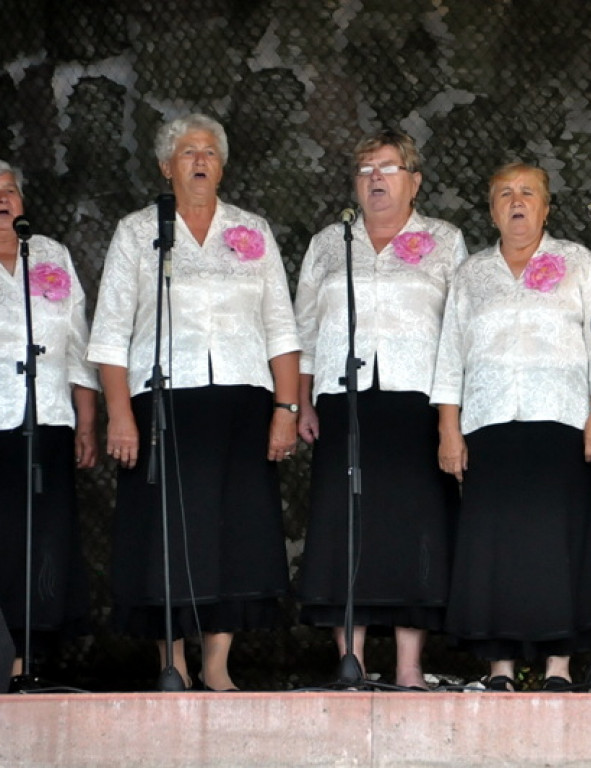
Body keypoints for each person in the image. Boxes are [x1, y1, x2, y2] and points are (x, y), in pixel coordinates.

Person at [87, 114, 300, 692]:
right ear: (165, 166)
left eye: (209, 151)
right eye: (187, 152)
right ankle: (172, 664)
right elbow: (110, 332)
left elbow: (281, 328)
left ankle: (217, 666)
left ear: (222, 165)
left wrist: (286, 409)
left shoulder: (251, 231)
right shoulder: (137, 232)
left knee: (236, 530)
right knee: (166, 529)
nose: (200, 160)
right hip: (163, 400)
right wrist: (121, 414)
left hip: (242, 400)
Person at [432, 162, 591, 692]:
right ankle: (499, 666)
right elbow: (451, 353)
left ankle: (558, 666)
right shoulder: (471, 273)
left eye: (527, 193)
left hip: (560, 418)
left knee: (556, 540)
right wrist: (449, 429)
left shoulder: (578, 261)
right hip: (489, 422)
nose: (516, 202)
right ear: (492, 208)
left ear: (546, 206)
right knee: (493, 544)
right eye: (504, 194)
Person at [294, 129, 464, 689]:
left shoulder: (444, 240)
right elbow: (306, 328)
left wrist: (450, 417)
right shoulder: (328, 242)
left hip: (417, 401)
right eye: (365, 168)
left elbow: (460, 331)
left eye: (387, 168)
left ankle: (409, 668)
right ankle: (353, 663)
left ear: (414, 181)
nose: (375, 178)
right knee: (346, 523)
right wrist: (301, 399)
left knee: (414, 527)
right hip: (344, 401)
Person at [0, 161, 98, 681]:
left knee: (45, 539)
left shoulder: (50, 253)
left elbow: (78, 343)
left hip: (50, 417)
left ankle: (31, 659)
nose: (3, 199)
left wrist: (86, 420)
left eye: (10, 190)